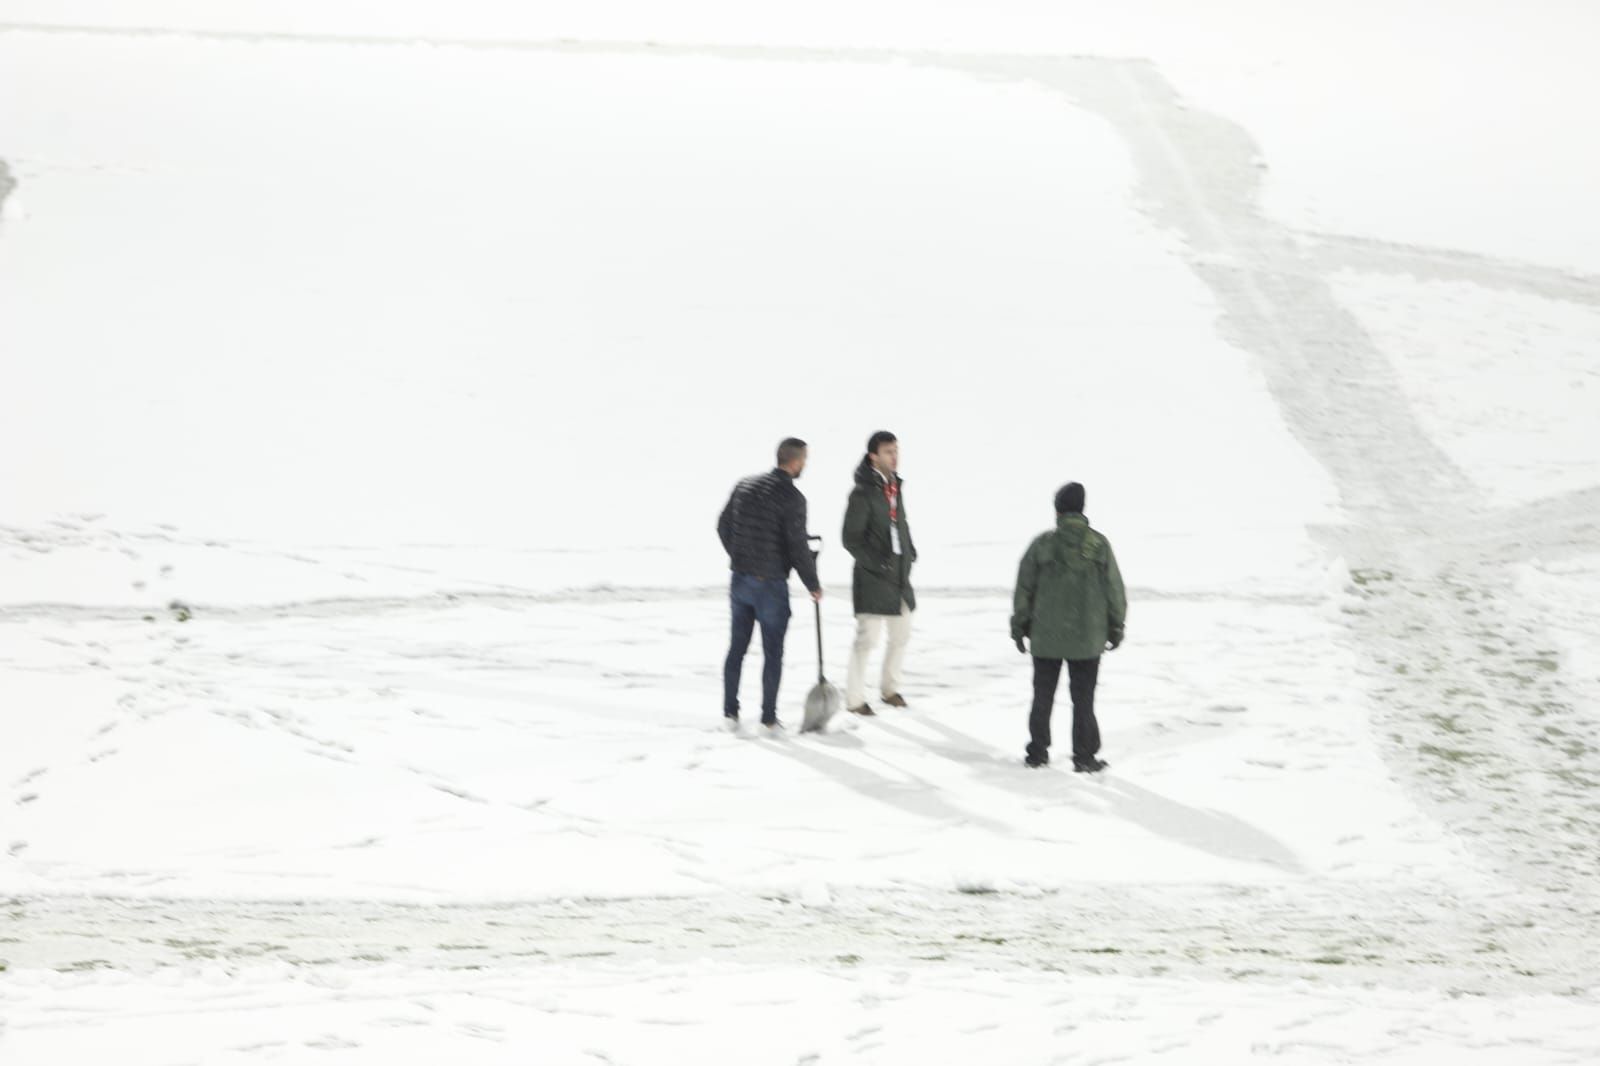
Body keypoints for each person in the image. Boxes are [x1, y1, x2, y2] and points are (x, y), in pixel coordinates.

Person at [1010, 482, 1126, 770]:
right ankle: (1084, 757)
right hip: (1087, 638)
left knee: (1042, 696)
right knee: (1083, 700)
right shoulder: (1099, 545)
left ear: (1057, 509)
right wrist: (1116, 627)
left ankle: (1037, 752)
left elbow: (1024, 589)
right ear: (1082, 508)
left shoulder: (1042, 544)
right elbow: (1115, 591)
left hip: (1046, 637)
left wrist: (1020, 627)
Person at [717, 438, 823, 732]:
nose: (805, 465)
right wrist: (813, 584)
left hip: (740, 580)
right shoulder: (793, 498)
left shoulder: (745, 486)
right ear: (795, 461)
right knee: (772, 652)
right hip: (770, 585)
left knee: (737, 647)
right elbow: (797, 548)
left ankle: (730, 712)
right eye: (804, 460)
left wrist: (740, 556)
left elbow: (722, 525)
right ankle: (767, 718)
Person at [842, 430, 917, 716]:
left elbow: (900, 526)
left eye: (896, 450)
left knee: (902, 634)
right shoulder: (862, 492)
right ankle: (854, 699)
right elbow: (851, 538)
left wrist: (910, 550)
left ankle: (890, 689)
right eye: (888, 451)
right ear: (873, 456)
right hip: (873, 578)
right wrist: (878, 563)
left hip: (899, 576)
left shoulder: (895, 487)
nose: (894, 456)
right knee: (867, 640)